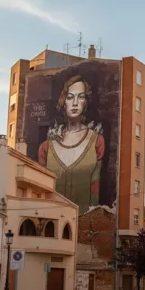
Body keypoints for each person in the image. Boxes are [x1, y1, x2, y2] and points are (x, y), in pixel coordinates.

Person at [38, 75, 104, 214]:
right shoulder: (46, 148)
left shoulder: (96, 141)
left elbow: (95, 188)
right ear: (63, 101)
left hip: (85, 226)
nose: (75, 103)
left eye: (80, 97)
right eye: (69, 97)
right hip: (51, 222)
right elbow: (41, 189)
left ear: (86, 102)